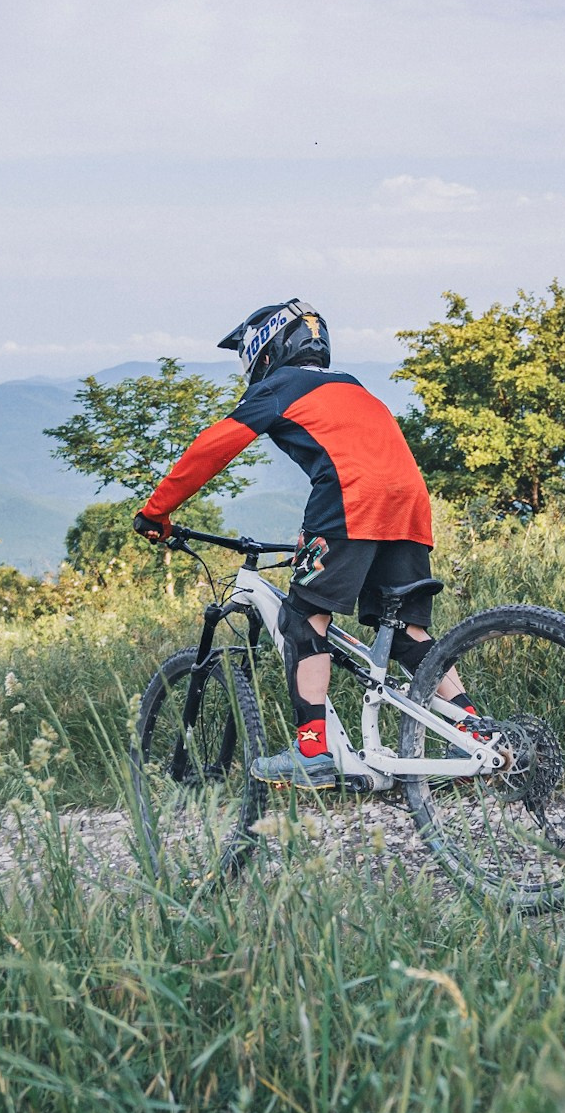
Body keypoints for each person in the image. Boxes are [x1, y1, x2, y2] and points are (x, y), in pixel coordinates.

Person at [133, 299, 475, 788]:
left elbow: (212, 446)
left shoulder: (280, 386)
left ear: (266, 348)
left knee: (303, 617)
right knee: (403, 633)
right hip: (409, 502)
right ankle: (475, 731)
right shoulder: (352, 386)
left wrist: (157, 510)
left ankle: (312, 750)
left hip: (349, 499)